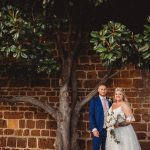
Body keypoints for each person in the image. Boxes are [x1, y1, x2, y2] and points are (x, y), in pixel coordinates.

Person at [89, 84, 112, 150]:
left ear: (106, 90)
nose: (103, 91)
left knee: (106, 148)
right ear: (98, 90)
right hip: (98, 129)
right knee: (96, 148)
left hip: (107, 129)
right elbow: (91, 115)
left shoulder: (110, 101)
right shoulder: (94, 101)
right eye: (101, 89)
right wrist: (94, 129)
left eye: (105, 89)